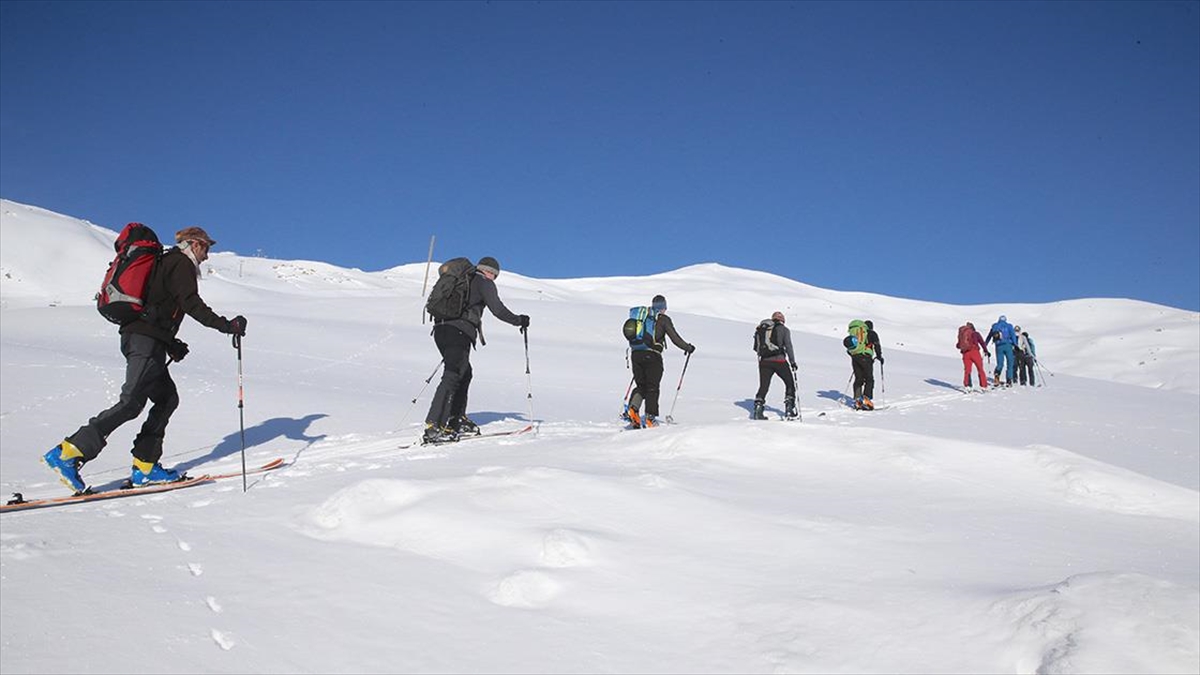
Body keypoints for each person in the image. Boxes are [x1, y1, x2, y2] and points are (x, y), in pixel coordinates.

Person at [42, 226, 248, 493]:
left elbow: (158, 307)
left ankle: (146, 466)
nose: (207, 255)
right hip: (144, 341)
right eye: (206, 248)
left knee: (166, 399)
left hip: (147, 339)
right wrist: (226, 325)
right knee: (131, 403)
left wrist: (170, 343)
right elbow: (191, 303)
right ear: (194, 244)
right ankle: (69, 452)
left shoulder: (167, 263)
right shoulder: (179, 263)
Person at [423, 256, 528, 444]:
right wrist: (519, 320)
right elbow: (498, 309)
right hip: (460, 331)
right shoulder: (483, 282)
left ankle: (456, 419)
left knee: (464, 372)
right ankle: (435, 426)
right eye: (495, 275)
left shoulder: (463, 279)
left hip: (440, 329)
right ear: (491, 272)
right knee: (453, 374)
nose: (494, 279)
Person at [624, 295, 695, 428]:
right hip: (653, 356)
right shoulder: (663, 319)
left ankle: (633, 409)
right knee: (652, 387)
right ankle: (650, 418)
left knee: (641, 386)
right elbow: (675, 338)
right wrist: (688, 348)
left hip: (636, 354)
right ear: (663, 308)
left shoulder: (643, 318)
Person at [752, 311, 798, 420]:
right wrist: (792, 362)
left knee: (764, 386)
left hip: (764, 361)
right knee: (789, 383)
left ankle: (758, 409)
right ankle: (789, 409)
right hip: (779, 361)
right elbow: (788, 346)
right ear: (782, 320)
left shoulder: (761, 330)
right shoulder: (784, 330)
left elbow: (755, 348)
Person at [843, 319, 876, 410]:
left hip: (855, 357)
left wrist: (854, 356)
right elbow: (877, 344)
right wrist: (880, 356)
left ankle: (857, 400)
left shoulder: (855, 332)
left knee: (858, 378)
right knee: (869, 379)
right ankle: (866, 399)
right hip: (866, 357)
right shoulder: (870, 333)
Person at [956, 321, 991, 390]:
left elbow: (958, 345)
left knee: (967, 370)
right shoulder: (975, 333)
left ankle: (967, 385)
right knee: (980, 369)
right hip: (975, 352)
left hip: (965, 353)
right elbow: (982, 342)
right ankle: (984, 386)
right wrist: (986, 351)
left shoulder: (962, 334)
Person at [985, 315, 1018, 386]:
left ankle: (997, 375)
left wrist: (985, 345)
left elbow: (989, 336)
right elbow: (1013, 335)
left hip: (998, 346)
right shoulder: (1009, 326)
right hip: (1008, 345)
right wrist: (1015, 344)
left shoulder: (995, 326)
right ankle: (1009, 380)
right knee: (1010, 363)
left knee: (1000, 363)